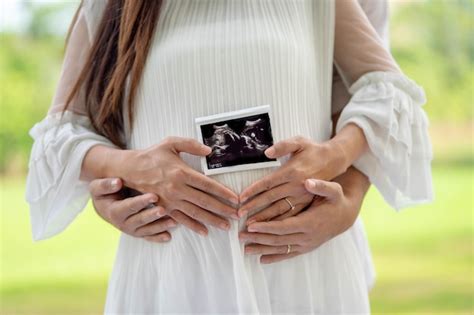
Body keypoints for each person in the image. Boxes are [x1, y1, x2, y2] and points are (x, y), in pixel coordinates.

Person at [25, 0, 433, 313]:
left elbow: (391, 94)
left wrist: (334, 156)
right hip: (175, 268)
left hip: (297, 263)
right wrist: (127, 168)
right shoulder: (112, 5)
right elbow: (60, 134)